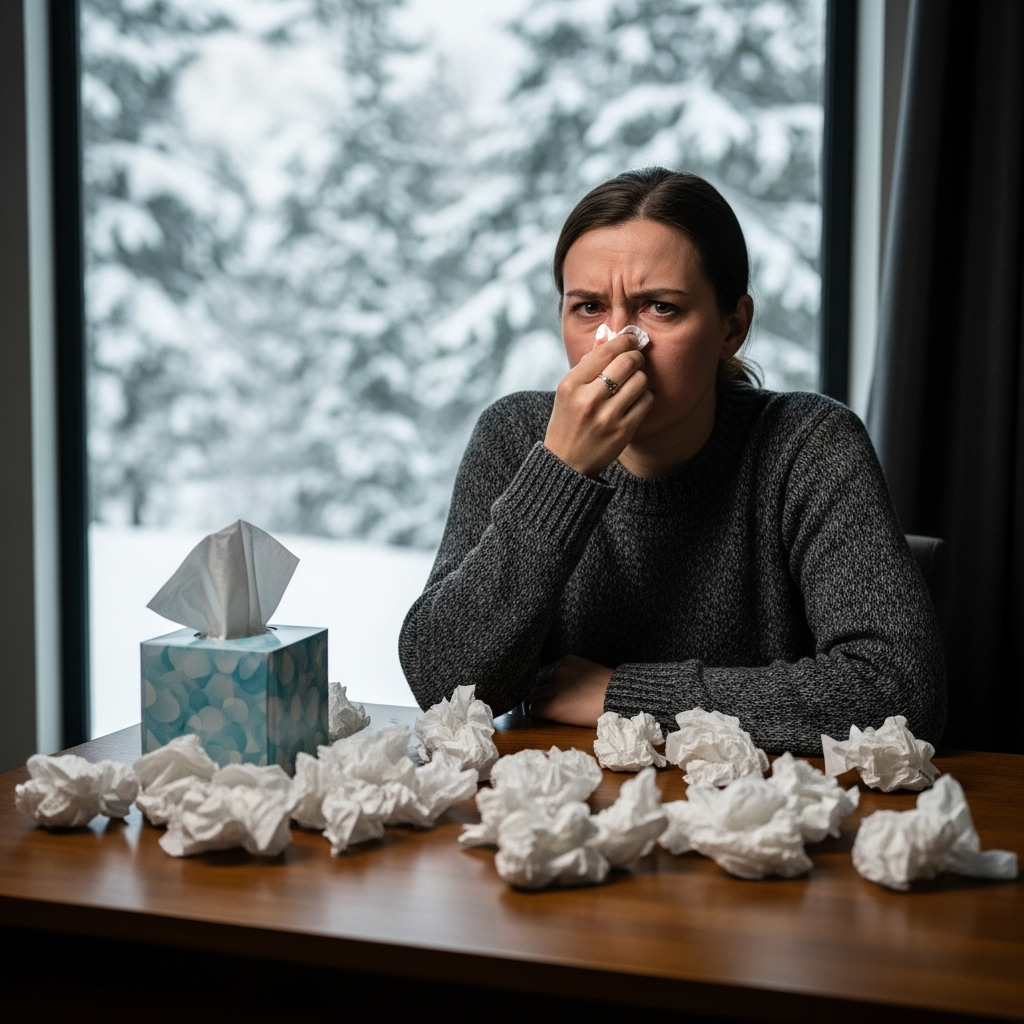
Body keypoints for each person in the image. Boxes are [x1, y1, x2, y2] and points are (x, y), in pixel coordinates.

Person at [398, 167, 945, 755]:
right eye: (587, 308)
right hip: (563, 812)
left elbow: (897, 694)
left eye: (659, 307)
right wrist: (560, 474)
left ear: (732, 326)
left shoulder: (809, 444)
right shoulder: (517, 438)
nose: (616, 344)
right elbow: (442, 683)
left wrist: (624, 695)